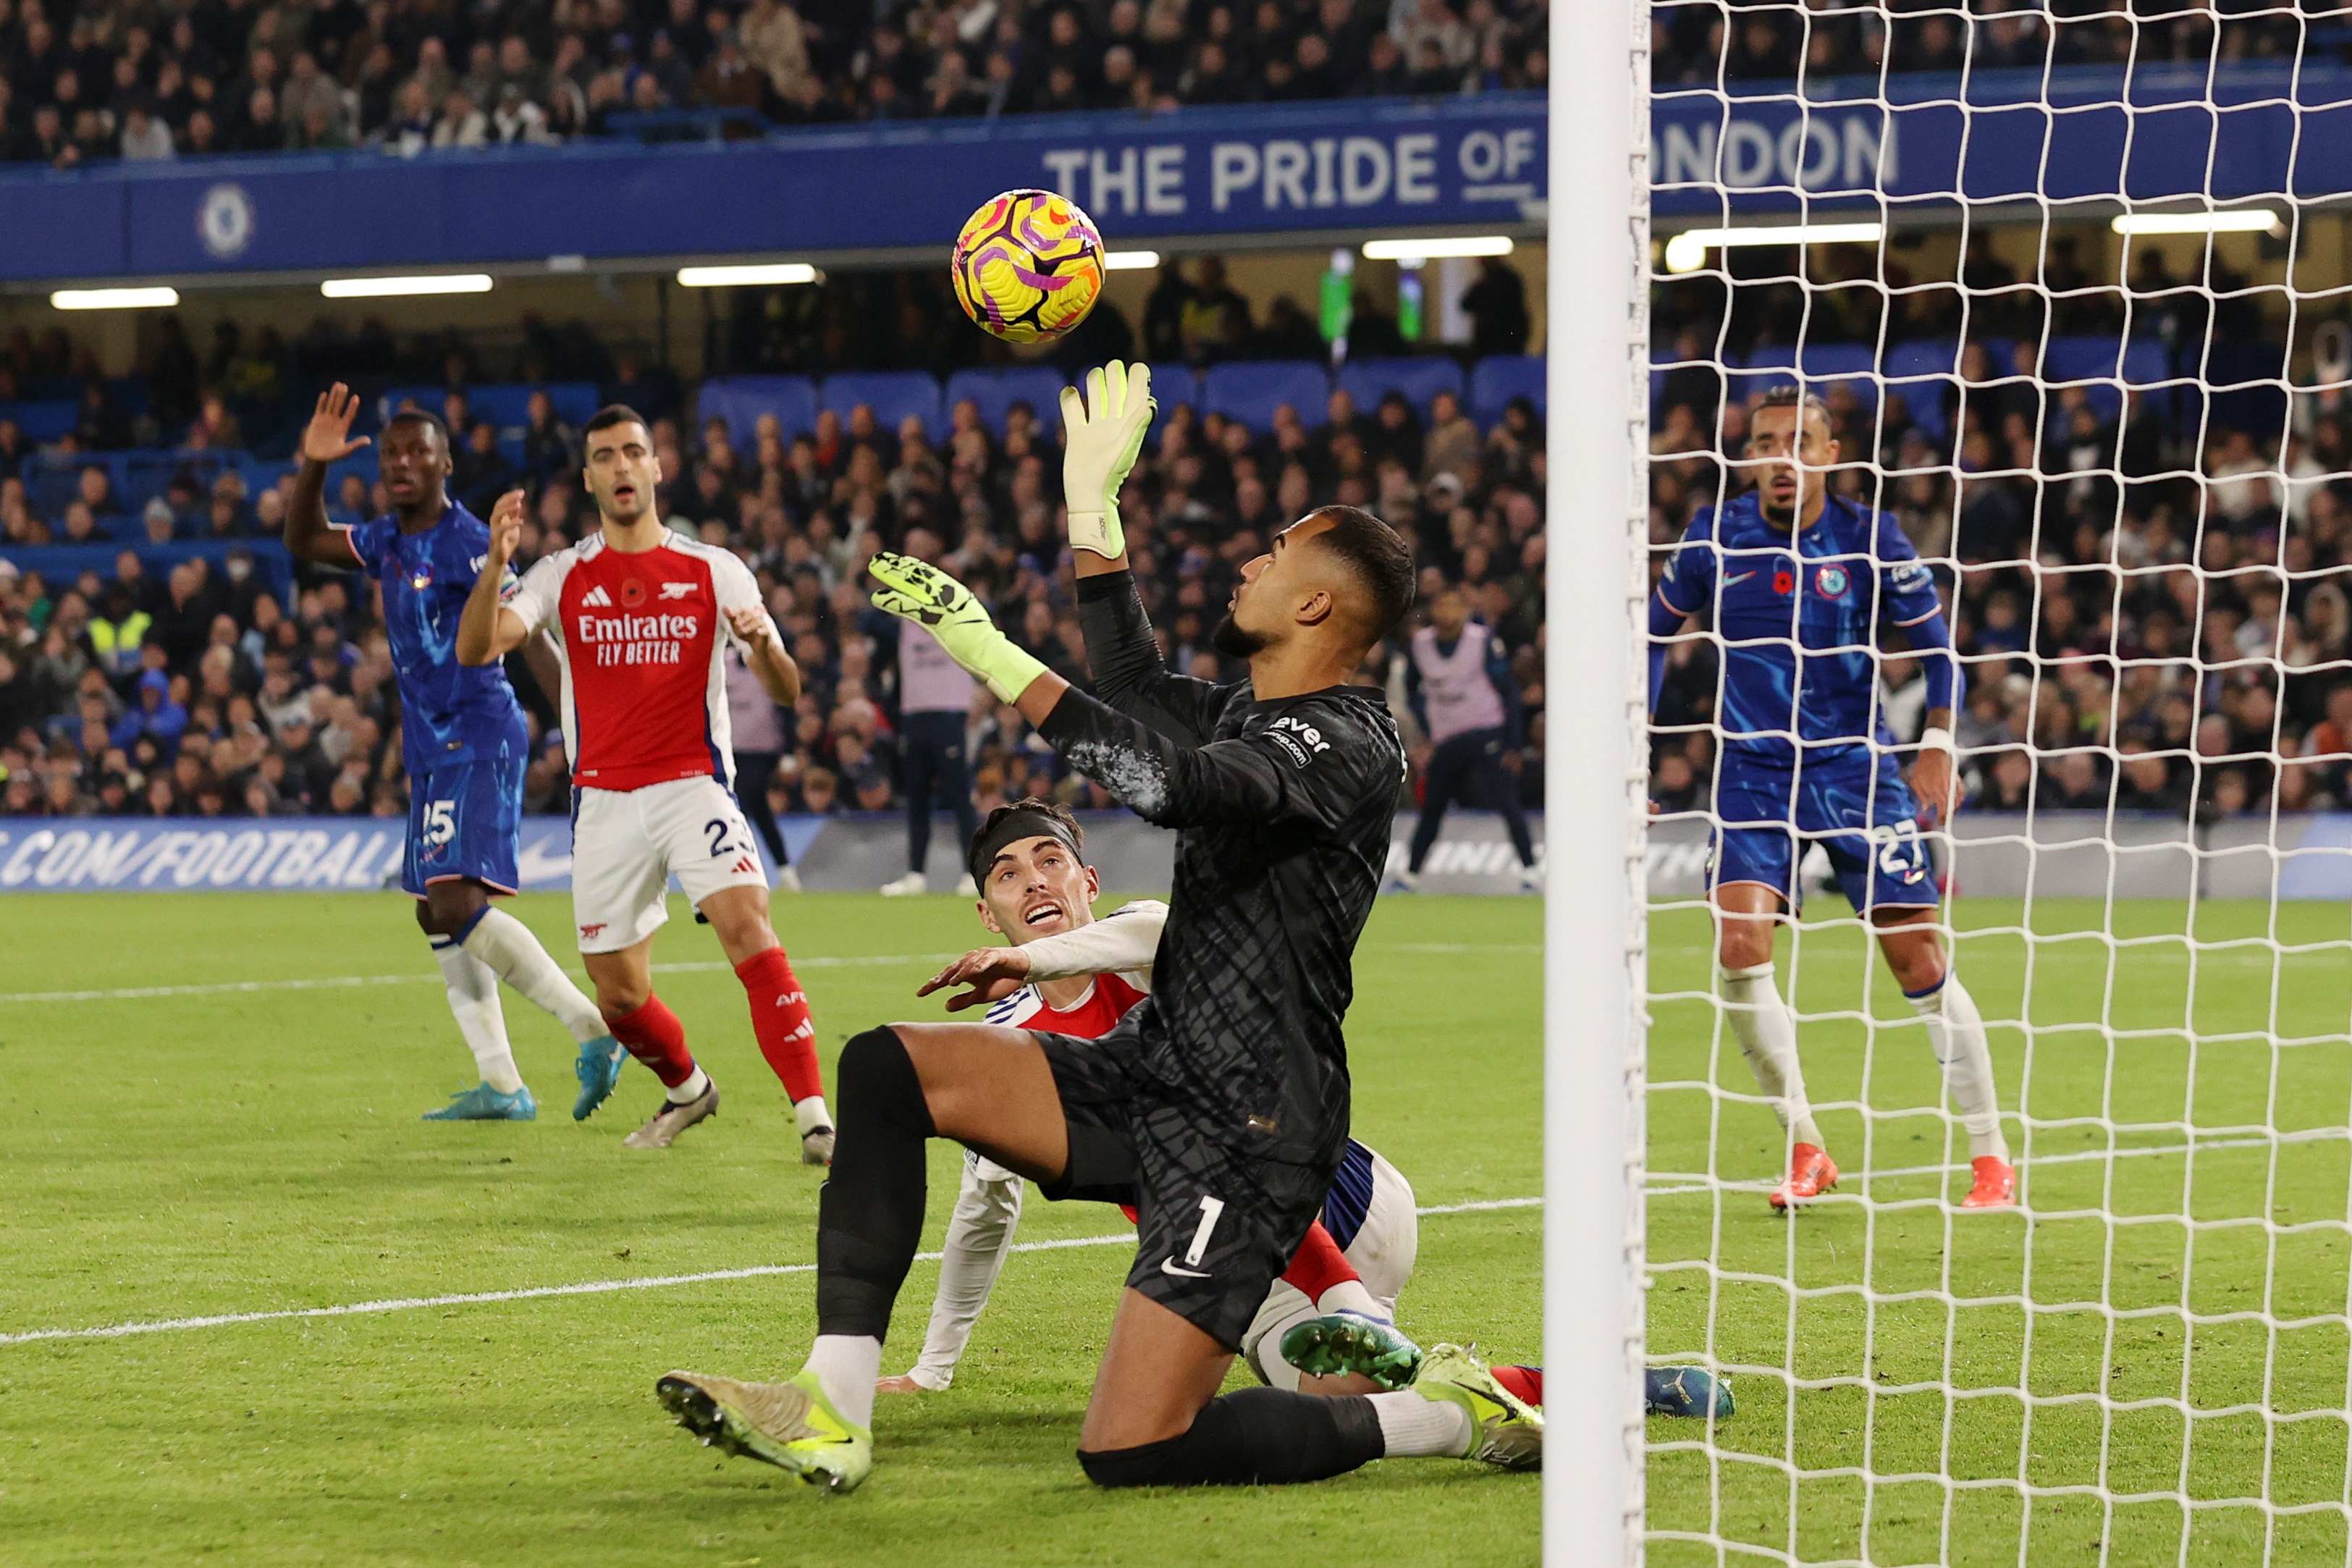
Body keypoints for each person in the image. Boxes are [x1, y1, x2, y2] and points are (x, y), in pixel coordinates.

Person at [655, 361, 1541, 1494]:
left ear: (1318, 604)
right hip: (1156, 1069)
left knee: (1131, 1448)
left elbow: (1166, 785)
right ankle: (831, 1405)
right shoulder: (1253, 710)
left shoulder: (1351, 742)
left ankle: (1439, 1417)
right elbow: (1127, 677)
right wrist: (1092, 507)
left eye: (1273, 554)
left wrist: (987, 653)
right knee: (887, 1069)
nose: (1249, 560)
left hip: (1254, 1123)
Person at [876, 798, 1424, 1398]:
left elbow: (1153, 935)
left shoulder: (1143, 940)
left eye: (1050, 860)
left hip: (1339, 1196)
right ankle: (1496, 1392)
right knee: (1346, 1405)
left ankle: (1347, 1304)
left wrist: (1029, 960)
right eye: (1008, 874)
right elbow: (984, 1210)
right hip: (1245, 1256)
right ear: (988, 914)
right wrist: (932, 1369)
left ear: (1089, 883)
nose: (1034, 880)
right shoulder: (1006, 1041)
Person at [1649, 387, 2012, 1211]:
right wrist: (1635, 746)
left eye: (1801, 441)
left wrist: (1938, 744)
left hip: (1855, 770)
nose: (1783, 456)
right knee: (1738, 947)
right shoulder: (1714, 535)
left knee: (1916, 959)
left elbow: (1940, 653)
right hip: (1751, 771)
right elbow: (1652, 637)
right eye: (1766, 441)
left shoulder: (1870, 537)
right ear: (1747, 457)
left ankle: (1990, 1152)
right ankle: (1805, 1143)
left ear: (1829, 452)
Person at [455, 405, 835, 1160]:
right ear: (590, 477)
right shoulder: (562, 574)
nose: (623, 466)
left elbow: (788, 690)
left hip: (694, 786)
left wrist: (763, 651)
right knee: (618, 996)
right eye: (606, 456)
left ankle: (816, 1118)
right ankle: (690, 1090)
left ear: (658, 468)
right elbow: (477, 648)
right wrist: (497, 563)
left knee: (749, 928)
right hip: (602, 801)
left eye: (635, 451)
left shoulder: (714, 568)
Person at [281, 384, 623, 1123]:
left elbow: (524, 630)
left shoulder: (470, 542)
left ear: (444, 467)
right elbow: (304, 542)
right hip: (432, 746)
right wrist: (311, 467)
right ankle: (502, 1085)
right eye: (393, 453)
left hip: (479, 733)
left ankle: (591, 1029)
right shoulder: (389, 542)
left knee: (455, 901)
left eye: (419, 453)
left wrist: (577, 722)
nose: (403, 463)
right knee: (434, 915)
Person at [1395, 583, 1539, 893]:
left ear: (1464, 610)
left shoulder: (1481, 640)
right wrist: (1425, 725)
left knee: (1506, 802)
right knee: (1432, 806)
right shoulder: (1419, 645)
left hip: (1484, 730)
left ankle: (1531, 870)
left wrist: (1512, 743)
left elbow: (1508, 690)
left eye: (1453, 605)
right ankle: (1411, 874)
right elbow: (1411, 689)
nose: (1447, 613)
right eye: (1441, 605)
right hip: (1446, 737)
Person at [877, 531, 982, 897]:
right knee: (917, 798)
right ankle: (915, 874)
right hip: (916, 717)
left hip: (950, 715)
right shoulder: (905, 614)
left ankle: (974, 874)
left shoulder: (960, 609)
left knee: (959, 798)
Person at [725, 641, 801, 893]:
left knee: (743, 806)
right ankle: (785, 870)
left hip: (762, 750)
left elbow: (786, 705)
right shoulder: (721, 661)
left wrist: (789, 750)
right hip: (730, 749)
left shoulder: (767, 662)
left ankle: (736, 871)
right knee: (760, 810)